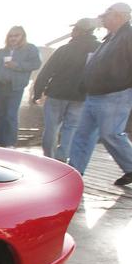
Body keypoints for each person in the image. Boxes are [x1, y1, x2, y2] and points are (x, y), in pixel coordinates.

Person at [68, 3, 132, 185]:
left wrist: (127, 84)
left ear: (119, 16)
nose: (103, 19)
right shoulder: (111, 38)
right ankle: (75, 171)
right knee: (82, 135)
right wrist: (86, 83)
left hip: (115, 94)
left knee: (111, 134)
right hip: (96, 94)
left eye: (106, 15)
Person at [32, 18, 100, 161]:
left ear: (80, 31)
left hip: (57, 93)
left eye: (74, 29)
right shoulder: (100, 49)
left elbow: (46, 72)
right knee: (71, 127)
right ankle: (62, 158)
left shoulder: (64, 49)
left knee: (51, 128)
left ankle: (49, 158)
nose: (72, 32)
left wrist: (37, 92)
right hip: (81, 96)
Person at [0, 26, 41, 147]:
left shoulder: (30, 49)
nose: (13, 38)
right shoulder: (2, 51)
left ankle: (10, 143)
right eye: (11, 36)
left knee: (11, 114)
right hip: (0, 85)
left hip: (15, 86)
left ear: (22, 36)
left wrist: (17, 65)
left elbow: (36, 64)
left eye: (16, 36)